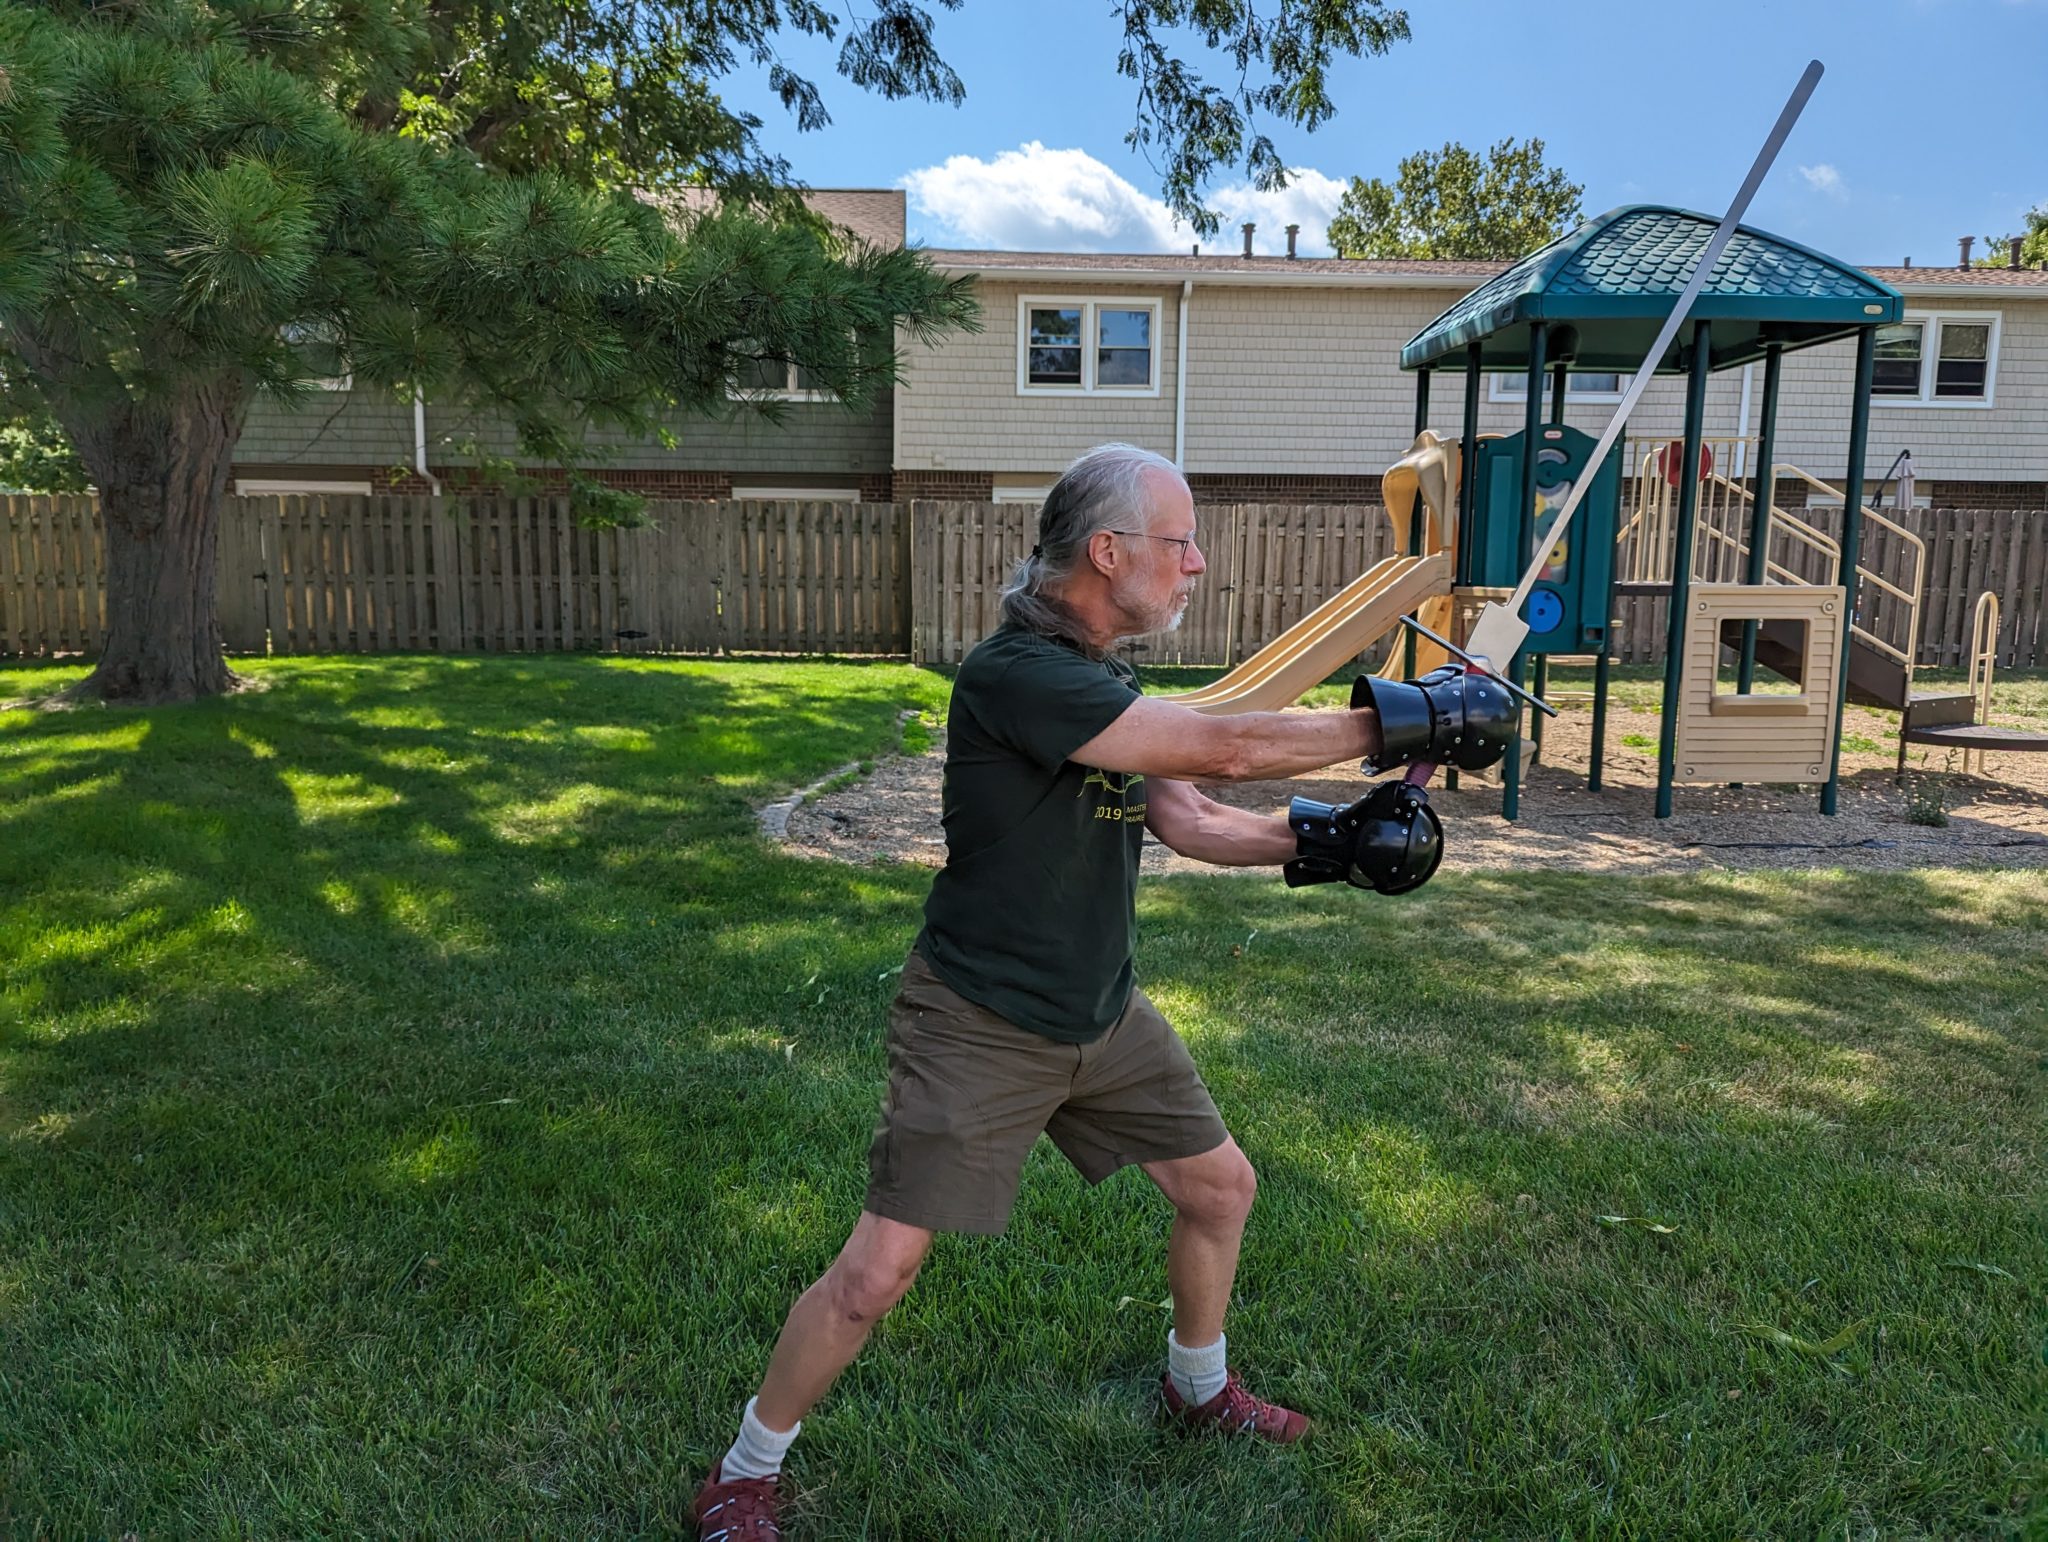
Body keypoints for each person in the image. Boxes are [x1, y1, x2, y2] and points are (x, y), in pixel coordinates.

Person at [693, 443, 1514, 1540]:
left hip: (1102, 1012)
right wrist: (1405, 720)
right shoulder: (1017, 676)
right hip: (981, 1020)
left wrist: (1330, 843)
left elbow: (1191, 817)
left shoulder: (1104, 680)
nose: (1198, 564)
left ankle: (1196, 1389)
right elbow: (1225, 749)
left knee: (1218, 1188)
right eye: (1181, 543)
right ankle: (742, 1474)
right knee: (877, 1273)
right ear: (1108, 551)